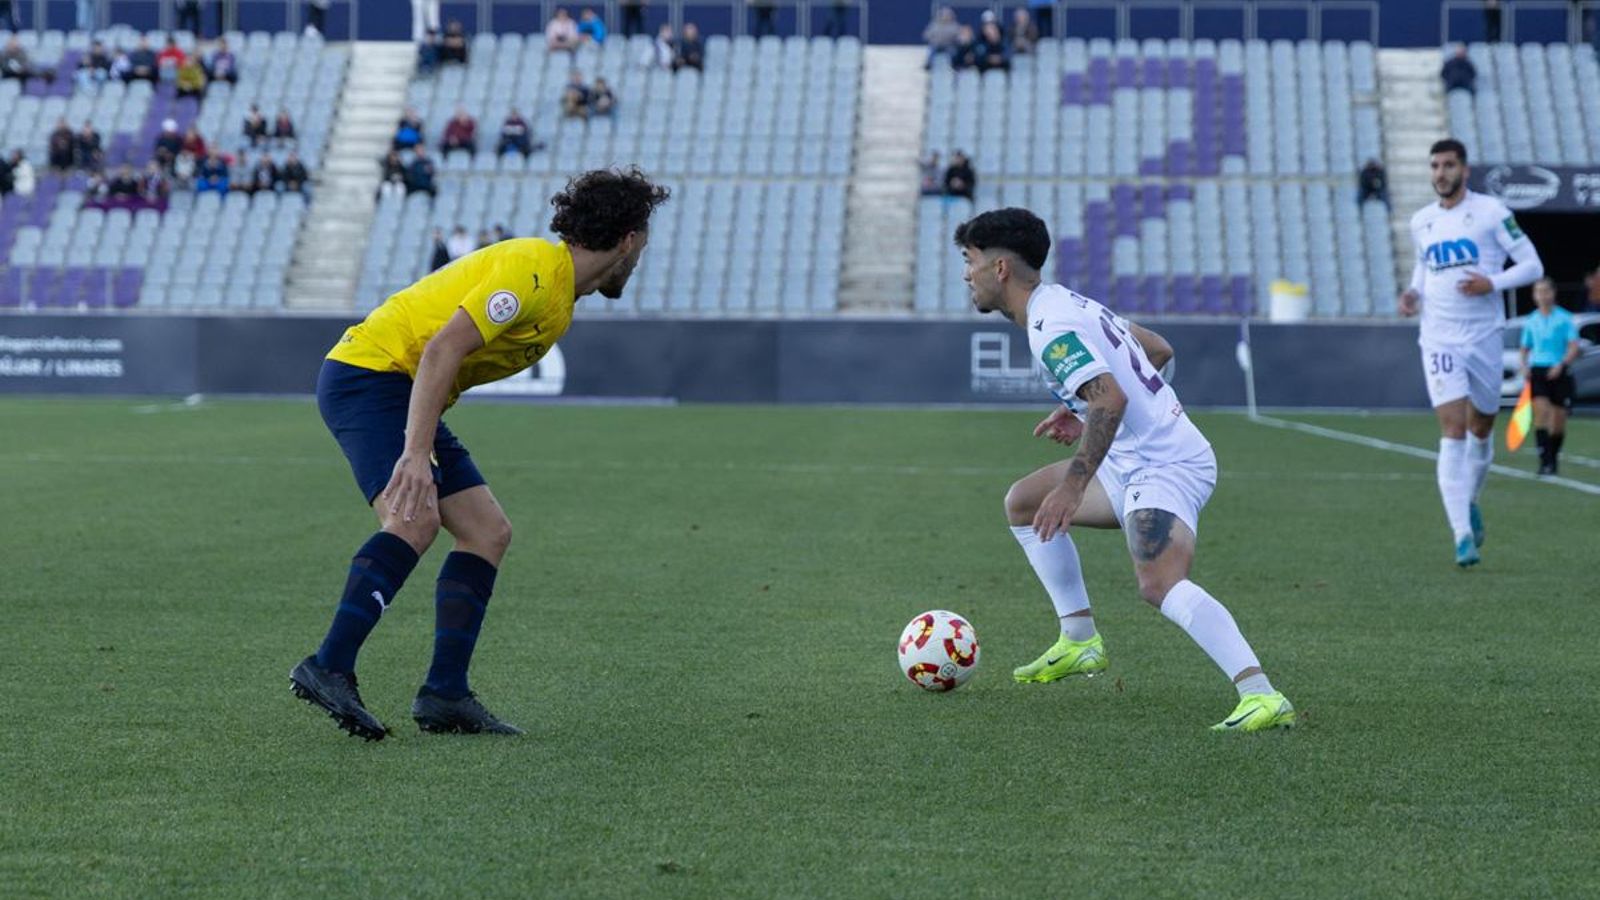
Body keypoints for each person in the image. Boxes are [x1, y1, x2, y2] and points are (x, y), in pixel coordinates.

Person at [289, 168, 671, 740]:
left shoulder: (560, 290)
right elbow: (444, 347)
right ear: (629, 239)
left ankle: (445, 693)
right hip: (372, 376)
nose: (641, 257)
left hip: (407, 389)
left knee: (487, 531)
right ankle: (329, 665)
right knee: (411, 520)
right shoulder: (534, 272)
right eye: (643, 241)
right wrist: (416, 456)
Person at [953, 207, 1295, 733]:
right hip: (1135, 459)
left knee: (1158, 583)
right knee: (1023, 502)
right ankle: (1080, 640)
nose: (965, 274)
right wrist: (1079, 409)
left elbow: (1109, 396)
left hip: (1165, 463)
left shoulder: (1049, 326)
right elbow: (1157, 349)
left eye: (970, 260)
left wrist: (1073, 484)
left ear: (999, 268)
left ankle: (1260, 693)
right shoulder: (1065, 300)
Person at [1398, 138, 1543, 567]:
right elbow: (1424, 267)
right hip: (1439, 338)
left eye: (1447, 165)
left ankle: (1470, 501)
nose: (1440, 173)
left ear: (1464, 169)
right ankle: (1462, 535)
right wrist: (1412, 293)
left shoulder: (1492, 213)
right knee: (1453, 429)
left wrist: (1491, 284)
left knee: (1482, 428)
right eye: (1434, 166)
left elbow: (1533, 265)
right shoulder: (1421, 221)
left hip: (1483, 337)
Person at [1520, 278, 1580, 476]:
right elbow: (1525, 347)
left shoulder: (1564, 318)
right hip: (1538, 370)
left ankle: (1552, 458)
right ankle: (1545, 462)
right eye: (1538, 292)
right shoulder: (1531, 320)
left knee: (1558, 421)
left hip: (1559, 371)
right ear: (1534, 295)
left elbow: (1573, 346)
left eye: (1546, 291)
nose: (1543, 296)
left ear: (1553, 293)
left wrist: (1561, 364)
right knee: (1541, 415)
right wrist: (1524, 365)